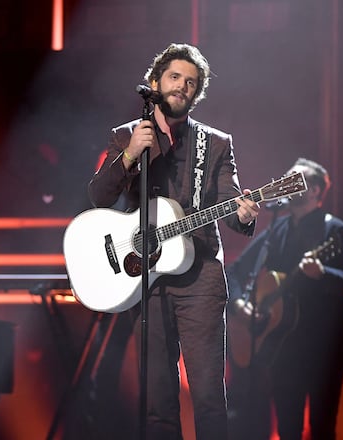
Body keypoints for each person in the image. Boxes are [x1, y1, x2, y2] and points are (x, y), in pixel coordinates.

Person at [87, 43, 260, 440]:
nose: (182, 86)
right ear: (155, 83)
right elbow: (98, 197)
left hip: (200, 280)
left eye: (191, 83)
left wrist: (244, 213)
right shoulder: (126, 136)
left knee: (208, 400)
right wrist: (130, 154)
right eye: (175, 77)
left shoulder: (215, 144)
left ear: (196, 95)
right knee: (157, 402)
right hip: (145, 279)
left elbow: (229, 203)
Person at [225, 157, 343, 440]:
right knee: (288, 429)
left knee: (322, 427)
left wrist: (323, 273)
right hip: (283, 347)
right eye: (285, 180)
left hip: (324, 349)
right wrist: (239, 304)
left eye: (295, 180)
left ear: (314, 190)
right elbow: (235, 271)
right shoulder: (277, 229)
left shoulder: (336, 231)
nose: (286, 185)